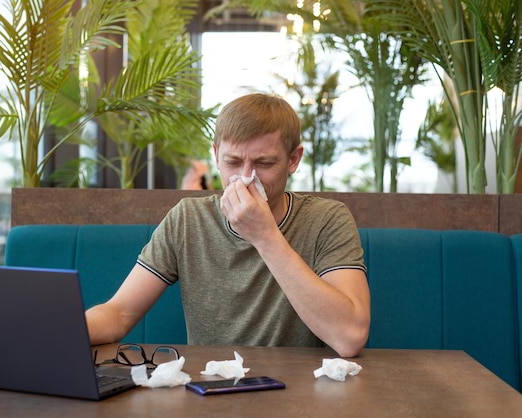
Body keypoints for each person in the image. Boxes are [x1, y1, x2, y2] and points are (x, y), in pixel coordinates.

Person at [86, 93, 370, 357]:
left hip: (299, 394)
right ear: (215, 155)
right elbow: (119, 314)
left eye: (264, 163)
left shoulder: (328, 219)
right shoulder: (188, 218)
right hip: (209, 389)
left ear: (293, 159)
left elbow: (350, 337)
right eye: (233, 162)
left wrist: (265, 236)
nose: (245, 178)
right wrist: (55, 332)